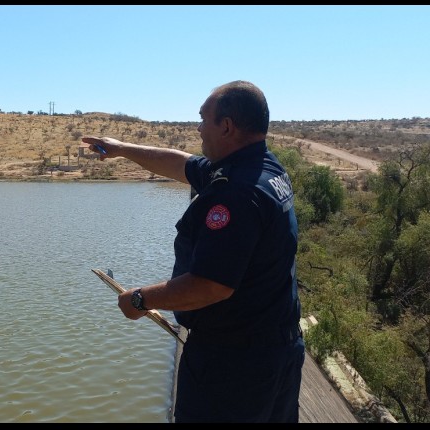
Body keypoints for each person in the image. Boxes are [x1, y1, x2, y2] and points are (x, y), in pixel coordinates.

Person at [82, 80, 304, 423]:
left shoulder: (236, 194)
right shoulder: (263, 168)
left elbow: (211, 285)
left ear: (226, 126)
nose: (198, 128)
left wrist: (140, 299)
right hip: (275, 351)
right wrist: (122, 148)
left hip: (234, 368)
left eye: (204, 119)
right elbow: (180, 164)